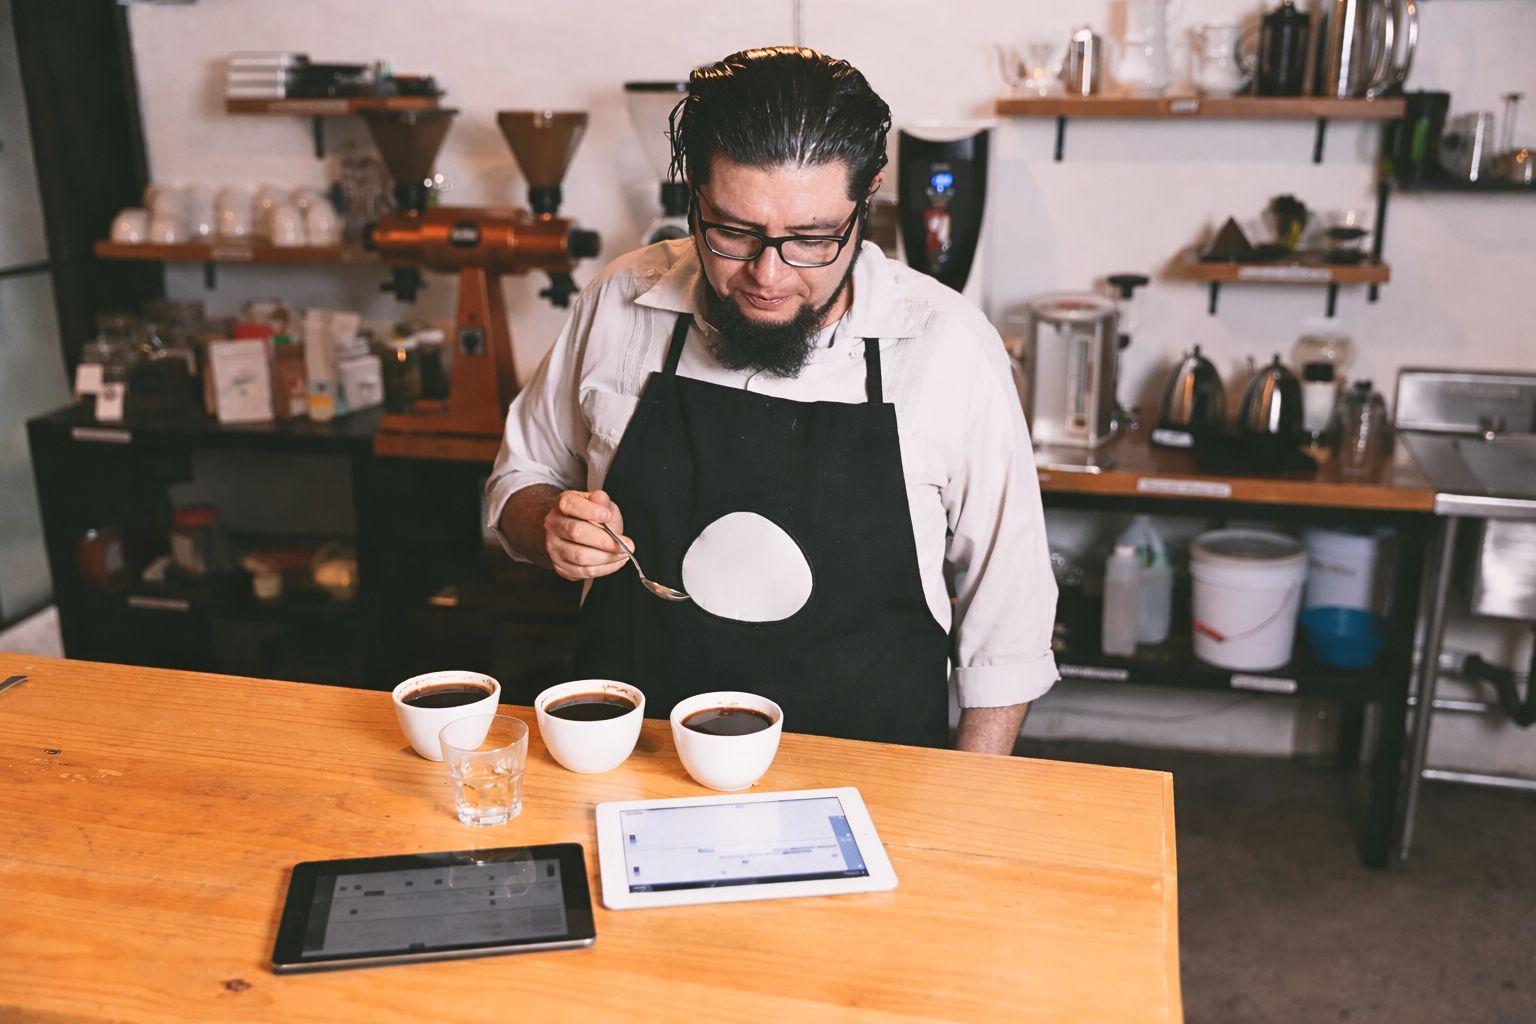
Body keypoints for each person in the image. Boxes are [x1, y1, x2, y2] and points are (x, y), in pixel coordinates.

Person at [486, 46, 1058, 753]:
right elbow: (516, 484)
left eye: (813, 239)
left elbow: (1009, 622)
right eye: (732, 231)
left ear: (867, 197)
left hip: (875, 783)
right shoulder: (619, 304)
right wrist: (548, 525)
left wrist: (964, 815)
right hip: (627, 763)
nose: (768, 275)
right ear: (692, 190)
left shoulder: (948, 348)